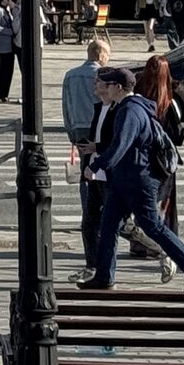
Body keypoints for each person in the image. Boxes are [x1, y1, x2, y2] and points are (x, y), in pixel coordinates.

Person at [80, 64, 184, 292]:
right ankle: (104, 277)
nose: (105, 88)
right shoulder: (124, 107)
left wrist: (97, 165)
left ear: (118, 87)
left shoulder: (131, 110)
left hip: (139, 180)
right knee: (108, 226)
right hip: (122, 180)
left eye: (108, 84)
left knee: (153, 226)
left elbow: (121, 145)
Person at [134, 53, 184, 278]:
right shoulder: (168, 102)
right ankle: (168, 244)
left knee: (142, 204)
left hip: (141, 160)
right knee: (164, 206)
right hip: (163, 164)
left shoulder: (137, 97)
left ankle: (141, 244)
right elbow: (178, 136)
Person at [62, 37, 112, 270]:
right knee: (101, 173)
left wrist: (70, 131)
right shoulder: (104, 76)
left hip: (79, 128)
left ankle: (89, 212)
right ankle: (98, 212)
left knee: (86, 174)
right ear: (101, 55)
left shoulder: (71, 75)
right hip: (99, 128)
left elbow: (66, 105)